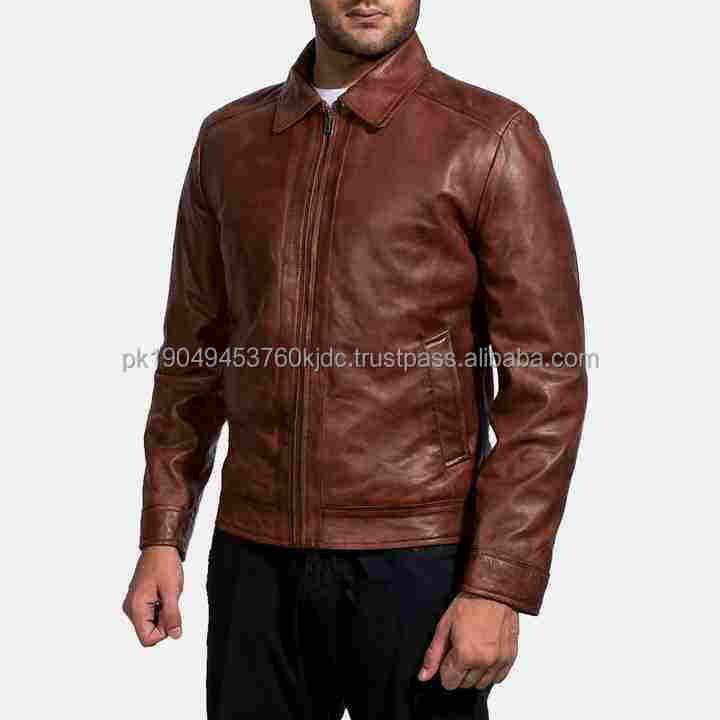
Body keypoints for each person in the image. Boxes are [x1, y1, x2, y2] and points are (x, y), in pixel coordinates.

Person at [122, 2, 588, 718]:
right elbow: (193, 356)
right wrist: (163, 533)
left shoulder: (490, 137)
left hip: (420, 559)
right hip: (255, 557)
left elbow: (546, 385)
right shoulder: (229, 139)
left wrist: (498, 583)